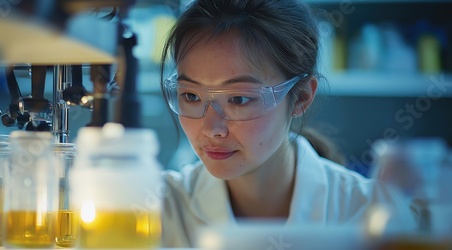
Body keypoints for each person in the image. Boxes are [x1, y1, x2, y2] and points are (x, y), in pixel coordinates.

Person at [159, 0, 416, 247]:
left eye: (238, 99)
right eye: (191, 96)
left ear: (301, 97)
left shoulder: (372, 213)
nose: (212, 128)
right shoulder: (158, 209)